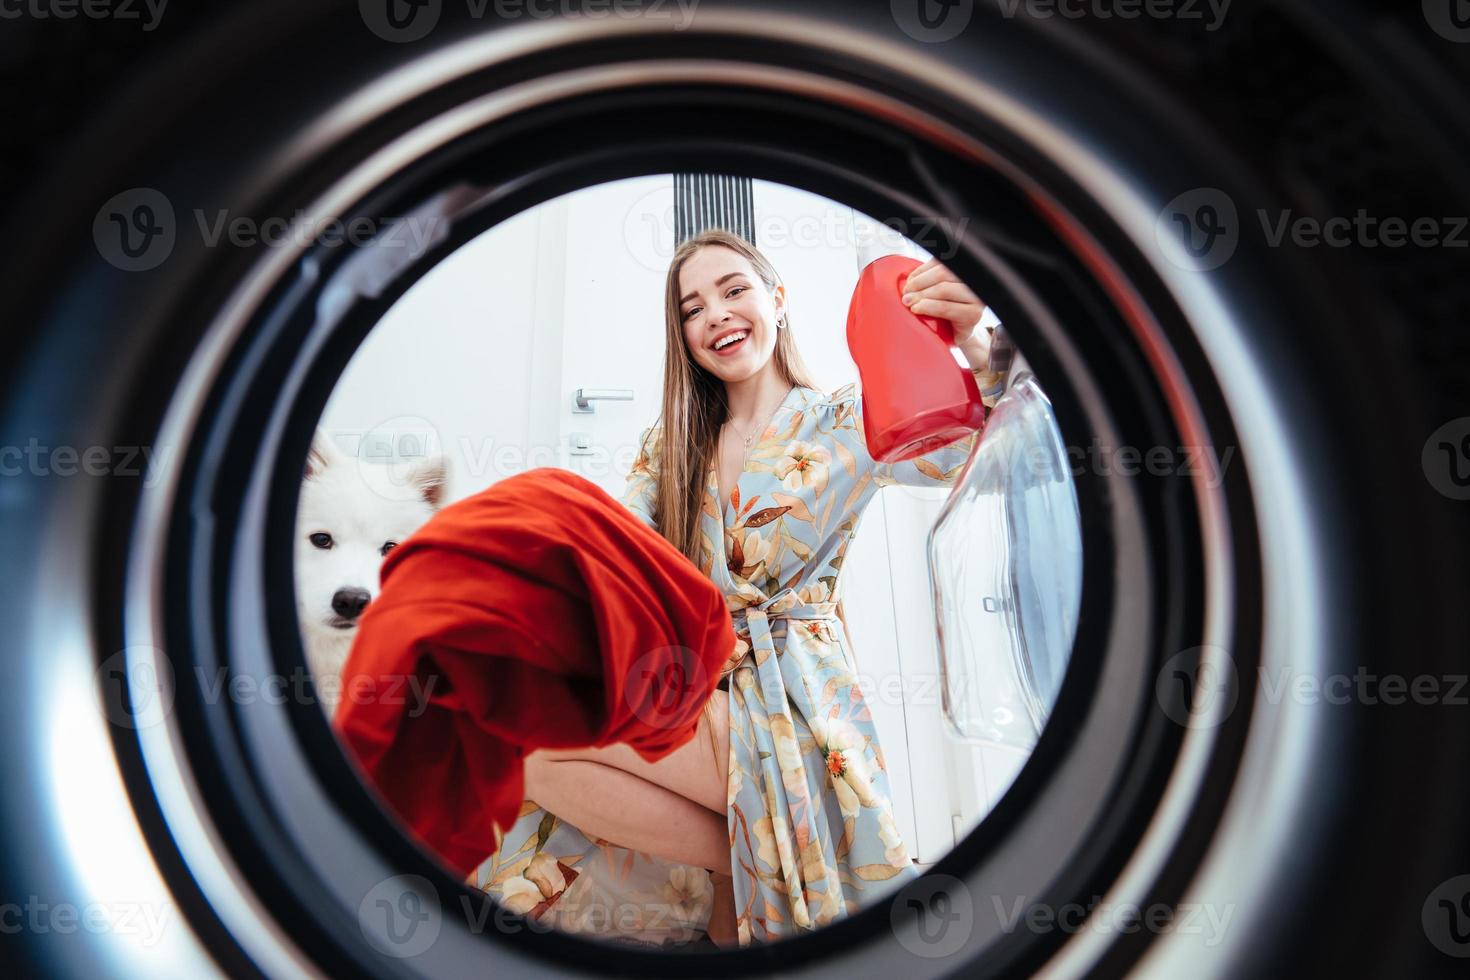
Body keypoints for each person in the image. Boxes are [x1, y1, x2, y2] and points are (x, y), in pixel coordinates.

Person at [471, 229, 1009, 948]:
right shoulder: (670, 446)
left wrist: (976, 341)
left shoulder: (842, 419)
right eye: (693, 308)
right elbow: (616, 556)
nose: (716, 315)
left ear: (776, 301)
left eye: (734, 290)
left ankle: (748, 863)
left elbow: (973, 452)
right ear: (683, 335)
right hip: (695, 680)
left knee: (536, 743)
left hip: (795, 694)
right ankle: (749, 859)